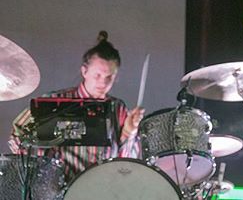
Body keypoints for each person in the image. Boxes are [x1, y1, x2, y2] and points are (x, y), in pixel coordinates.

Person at [8, 31, 145, 181]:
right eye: (97, 75)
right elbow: (18, 133)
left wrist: (128, 132)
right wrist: (44, 161)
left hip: (105, 189)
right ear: (84, 71)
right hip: (60, 188)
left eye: (109, 77)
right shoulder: (55, 101)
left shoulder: (118, 109)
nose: (103, 83)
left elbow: (127, 166)